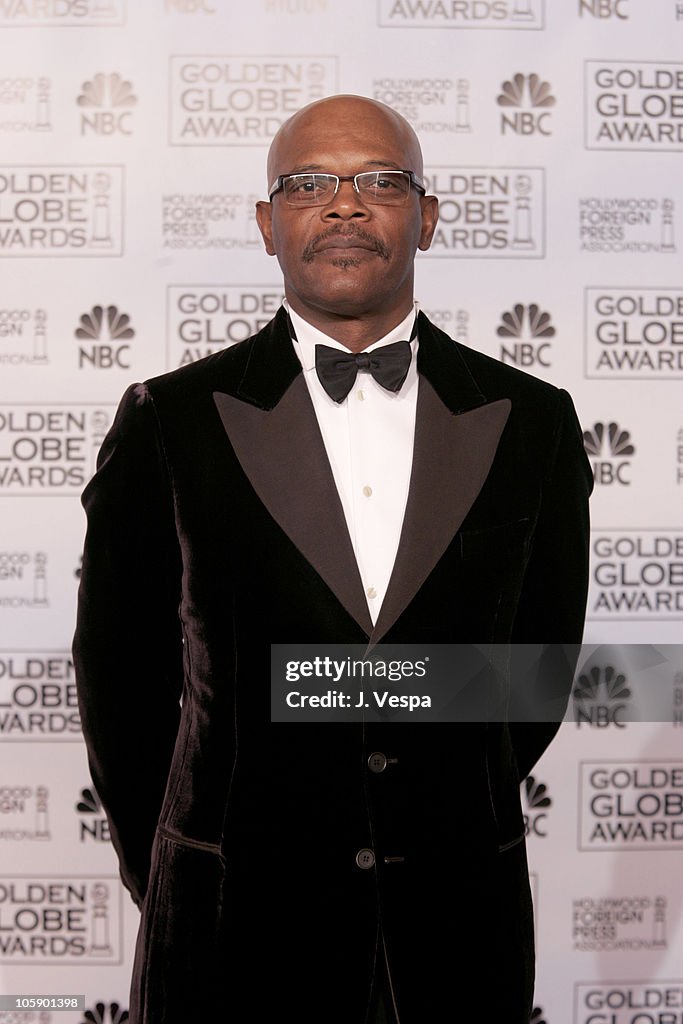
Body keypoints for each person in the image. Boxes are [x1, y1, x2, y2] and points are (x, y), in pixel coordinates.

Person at [73, 94, 592, 1024]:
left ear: (425, 216)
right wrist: (194, 862)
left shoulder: (531, 422)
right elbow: (119, 681)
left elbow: (537, 674)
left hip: (457, 929)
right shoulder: (170, 423)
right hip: (231, 928)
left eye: (379, 182)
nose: (343, 204)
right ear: (269, 224)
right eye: (308, 184)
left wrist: (429, 807)